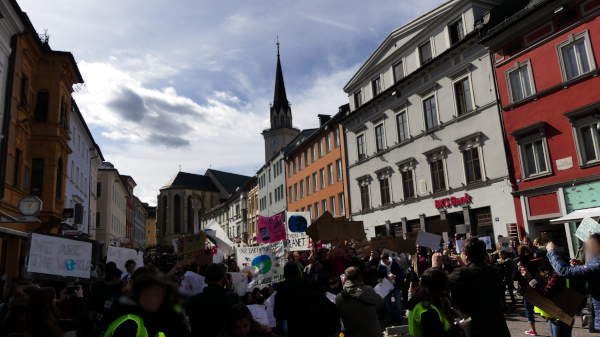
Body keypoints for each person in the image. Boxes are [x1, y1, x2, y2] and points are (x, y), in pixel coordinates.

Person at [448, 238, 510, 337]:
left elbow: (439, 284)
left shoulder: (461, 274)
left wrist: (435, 266)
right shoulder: (494, 271)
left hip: (475, 327)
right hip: (498, 325)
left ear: (466, 255)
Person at [103, 273, 189, 337]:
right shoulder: (130, 322)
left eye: (161, 295)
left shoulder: (157, 318)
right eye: (154, 294)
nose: (158, 299)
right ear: (140, 295)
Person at [546, 233, 600, 332]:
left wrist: (551, 251)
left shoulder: (596, 264)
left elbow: (563, 270)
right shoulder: (595, 263)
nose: (586, 249)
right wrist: (581, 265)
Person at [275, 262, 339, 337]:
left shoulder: (282, 288)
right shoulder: (308, 282)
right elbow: (322, 300)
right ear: (298, 271)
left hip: (296, 327)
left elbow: (278, 314)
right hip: (315, 325)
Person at [188, 263, 240, 337]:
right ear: (224, 279)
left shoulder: (194, 300)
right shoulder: (232, 298)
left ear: (206, 279)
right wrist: (229, 289)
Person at [408, 268, 460, 337]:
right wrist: (458, 328)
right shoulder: (427, 310)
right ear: (436, 288)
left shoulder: (419, 300)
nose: (444, 291)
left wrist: (448, 312)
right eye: (443, 288)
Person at [335, 266, 383, 337]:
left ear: (345, 279)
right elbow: (380, 304)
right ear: (360, 277)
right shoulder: (368, 290)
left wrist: (345, 287)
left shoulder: (340, 297)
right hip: (373, 332)